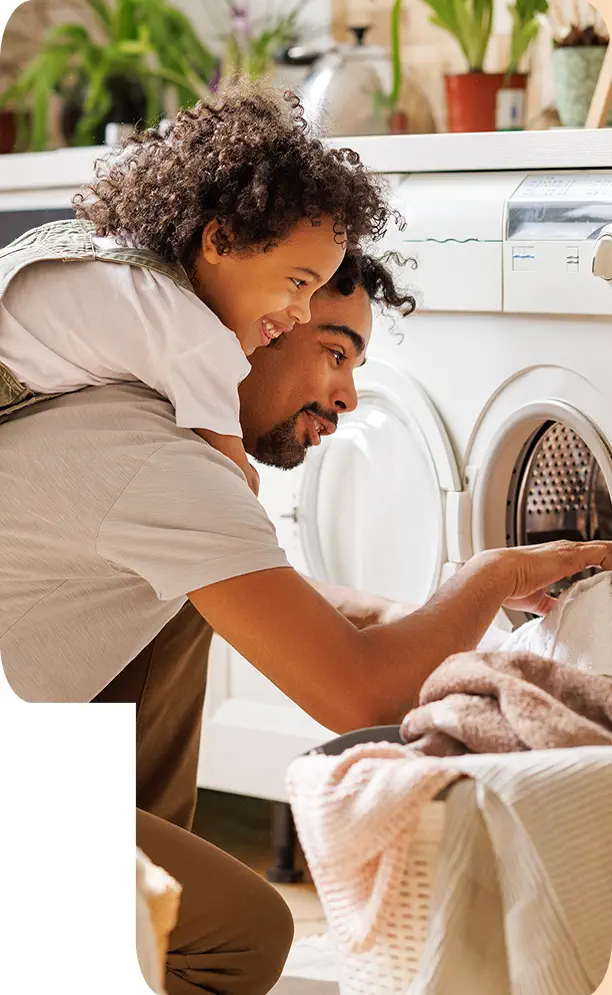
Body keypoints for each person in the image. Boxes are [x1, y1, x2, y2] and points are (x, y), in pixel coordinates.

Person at [2, 250, 612, 994]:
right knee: (241, 938)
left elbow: (258, 589)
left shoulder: (127, 409)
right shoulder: (160, 463)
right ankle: (85, 948)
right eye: (334, 353)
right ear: (263, 325)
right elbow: (366, 697)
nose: (348, 396)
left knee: (183, 608)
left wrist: (423, 616)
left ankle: (99, 940)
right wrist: (492, 576)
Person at [0, 84, 394, 495]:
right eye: (298, 283)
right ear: (220, 241)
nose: (303, 312)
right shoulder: (198, 339)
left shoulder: (129, 256)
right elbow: (233, 479)